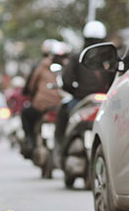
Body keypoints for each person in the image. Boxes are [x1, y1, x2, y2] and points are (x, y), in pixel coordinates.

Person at [55, 20, 114, 148]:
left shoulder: (77, 57)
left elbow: (67, 82)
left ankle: (60, 148)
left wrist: (78, 93)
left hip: (82, 101)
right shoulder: (110, 58)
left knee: (63, 114)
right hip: (106, 101)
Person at [20, 39, 66, 158]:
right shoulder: (67, 66)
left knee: (25, 114)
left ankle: (31, 141)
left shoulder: (41, 66)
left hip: (42, 106)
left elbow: (31, 86)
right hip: (61, 105)